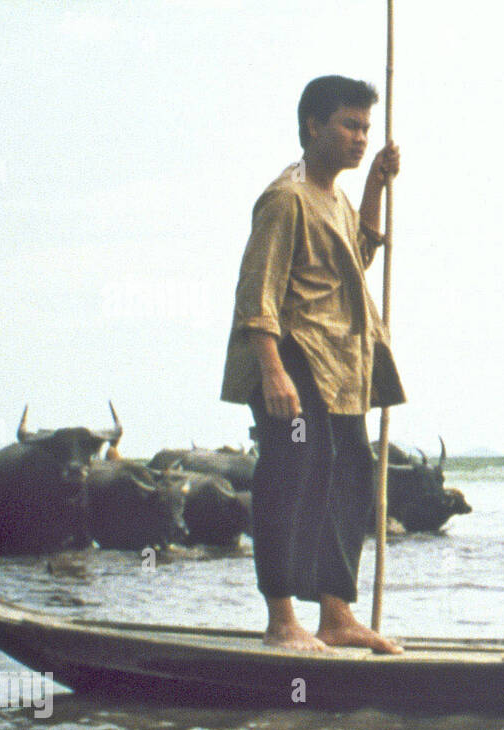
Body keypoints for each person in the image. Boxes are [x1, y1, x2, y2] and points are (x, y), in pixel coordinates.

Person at [219, 75, 406, 654]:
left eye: (365, 128)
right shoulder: (287, 198)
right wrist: (271, 371)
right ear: (313, 127)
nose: (358, 137)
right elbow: (257, 293)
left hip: (339, 364)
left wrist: (376, 181)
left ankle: (335, 614)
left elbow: (360, 256)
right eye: (349, 125)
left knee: (350, 472)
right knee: (295, 465)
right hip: (294, 357)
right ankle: (281, 619)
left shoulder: (334, 196)